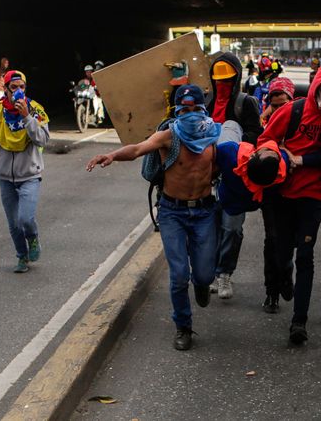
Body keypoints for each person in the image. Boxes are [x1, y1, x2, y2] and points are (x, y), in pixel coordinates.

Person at [87, 84, 221, 351]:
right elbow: (138, 149)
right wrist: (112, 155)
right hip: (173, 212)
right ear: (176, 110)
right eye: (185, 108)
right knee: (179, 274)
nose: (191, 113)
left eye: (196, 108)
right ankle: (183, 327)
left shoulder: (215, 135)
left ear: (204, 108)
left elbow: (237, 157)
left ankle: (202, 284)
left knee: (205, 275)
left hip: (205, 211)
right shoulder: (168, 135)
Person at [258, 61, 321, 345]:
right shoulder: (292, 111)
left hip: (312, 196)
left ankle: (299, 321)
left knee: (305, 257)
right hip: (283, 195)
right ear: (316, 90)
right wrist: (280, 154)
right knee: (282, 252)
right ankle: (283, 273)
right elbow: (264, 140)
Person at [0, 70, 50, 273]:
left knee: (25, 219)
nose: (19, 92)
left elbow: (42, 139)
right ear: (5, 90)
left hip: (30, 176)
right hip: (5, 178)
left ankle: (33, 239)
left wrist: (27, 117)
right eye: (14, 88)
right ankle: (22, 257)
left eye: (22, 87)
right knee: (14, 224)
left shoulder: (36, 110)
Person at [215, 127, 290, 313]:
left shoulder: (283, 165)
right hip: (234, 198)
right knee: (231, 230)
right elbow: (206, 159)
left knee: (275, 238)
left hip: (267, 199)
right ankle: (223, 272)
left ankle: (277, 285)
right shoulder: (229, 152)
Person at [206, 54, 261, 299]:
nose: (222, 85)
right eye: (218, 80)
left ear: (236, 78)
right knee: (209, 227)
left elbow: (255, 134)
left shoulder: (245, 102)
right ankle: (212, 272)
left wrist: (230, 144)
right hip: (207, 176)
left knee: (231, 227)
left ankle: (225, 273)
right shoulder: (205, 101)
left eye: (227, 80)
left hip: (235, 176)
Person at [255, 76, 295, 313]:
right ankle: (272, 291)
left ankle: (287, 273)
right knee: (272, 240)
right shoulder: (262, 123)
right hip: (270, 191)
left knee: (289, 241)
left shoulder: (300, 119)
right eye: (275, 105)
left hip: (295, 190)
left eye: (284, 105)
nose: (279, 110)